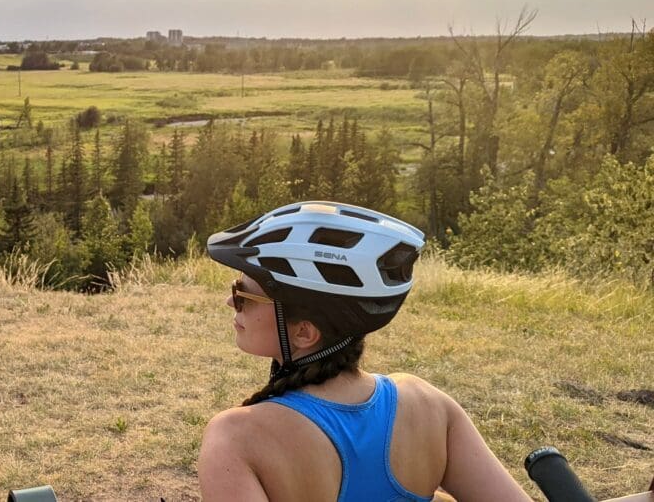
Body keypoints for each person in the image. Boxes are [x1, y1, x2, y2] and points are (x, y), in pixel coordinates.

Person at [198, 201, 530, 502]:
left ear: (304, 332)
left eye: (242, 295)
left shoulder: (235, 439)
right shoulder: (428, 404)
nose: (230, 302)